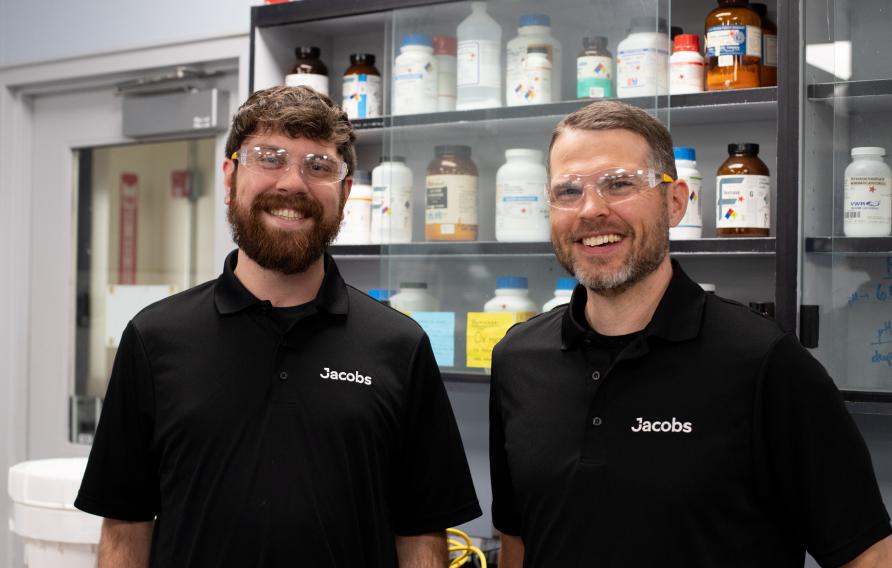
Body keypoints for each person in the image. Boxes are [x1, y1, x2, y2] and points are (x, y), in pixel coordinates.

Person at [76, 85, 481, 567]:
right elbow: (125, 526)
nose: (292, 183)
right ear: (229, 177)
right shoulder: (154, 339)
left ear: (346, 193)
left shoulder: (398, 345)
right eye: (269, 158)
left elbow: (420, 534)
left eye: (319, 166)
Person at [489, 100, 892, 567]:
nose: (591, 210)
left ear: (675, 201)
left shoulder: (765, 363)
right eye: (568, 190)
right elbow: (517, 540)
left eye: (619, 183)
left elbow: (868, 554)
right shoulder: (518, 359)